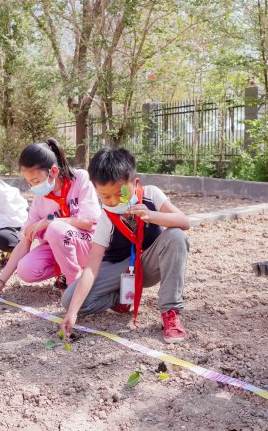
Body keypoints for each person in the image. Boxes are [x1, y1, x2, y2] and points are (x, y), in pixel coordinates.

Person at [59, 147, 191, 344]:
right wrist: (73, 313)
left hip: (148, 264)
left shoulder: (151, 195)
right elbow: (91, 267)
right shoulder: (106, 217)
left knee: (176, 236)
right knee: (69, 301)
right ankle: (121, 297)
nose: (113, 201)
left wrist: (151, 216)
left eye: (119, 194)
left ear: (134, 182)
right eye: (105, 196)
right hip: (119, 269)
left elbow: (184, 222)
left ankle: (170, 311)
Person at [0, 138, 101, 299]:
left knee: (55, 229)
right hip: (61, 245)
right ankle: (67, 271)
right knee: (26, 269)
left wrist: (50, 221)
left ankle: (75, 285)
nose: (33, 186)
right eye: (29, 182)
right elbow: (25, 239)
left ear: (53, 172)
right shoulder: (41, 198)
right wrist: (0, 281)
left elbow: (87, 222)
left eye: (36, 181)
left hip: (89, 244)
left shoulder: (80, 178)